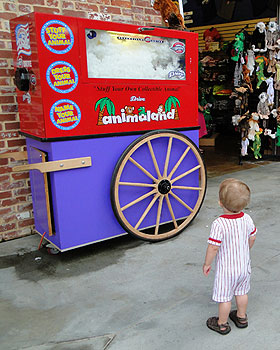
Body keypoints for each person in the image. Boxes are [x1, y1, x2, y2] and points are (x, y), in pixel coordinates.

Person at [203, 178, 257, 335]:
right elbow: (252, 237)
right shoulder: (247, 219)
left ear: (220, 203)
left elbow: (213, 247)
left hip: (227, 270)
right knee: (242, 292)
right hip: (243, 266)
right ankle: (241, 317)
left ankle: (222, 324)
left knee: (225, 298)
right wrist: (245, 250)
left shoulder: (219, 224)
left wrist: (207, 264)